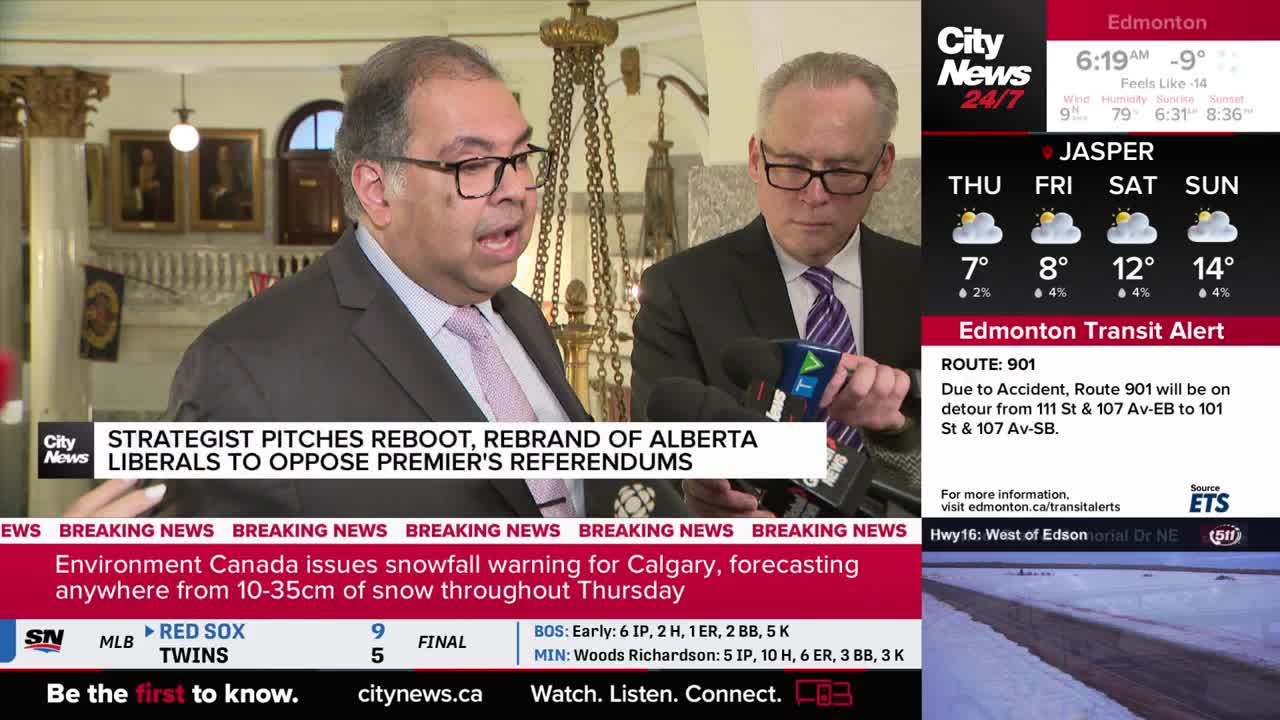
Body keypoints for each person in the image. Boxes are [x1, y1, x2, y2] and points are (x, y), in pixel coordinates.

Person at [81, 36, 683, 519]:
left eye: (521, 157)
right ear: (376, 188)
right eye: (474, 164)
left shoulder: (520, 314)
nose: (518, 191)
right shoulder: (247, 370)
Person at [630, 51, 920, 518]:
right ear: (754, 157)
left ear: (883, 167)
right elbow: (657, 466)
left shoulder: (935, 287)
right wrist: (702, 501)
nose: (813, 194)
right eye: (790, 166)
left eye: (842, 170)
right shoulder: (679, 291)